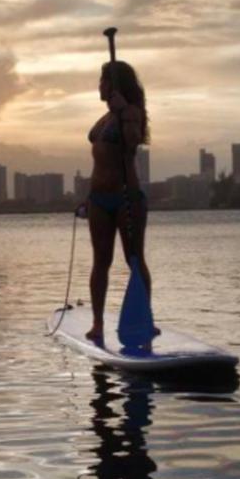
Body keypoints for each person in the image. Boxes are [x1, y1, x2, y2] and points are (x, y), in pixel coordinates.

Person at [85, 60, 153, 347]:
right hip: (98, 200)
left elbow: (131, 143)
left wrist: (125, 110)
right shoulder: (103, 119)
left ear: (115, 86)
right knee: (101, 262)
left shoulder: (132, 113)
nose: (99, 86)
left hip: (126, 197)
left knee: (134, 260)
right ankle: (98, 324)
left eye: (103, 81)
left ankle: (144, 323)